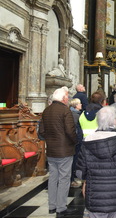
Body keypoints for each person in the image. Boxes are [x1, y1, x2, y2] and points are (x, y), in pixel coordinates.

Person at [39, 87, 77, 217]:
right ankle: (61, 207)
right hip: (64, 150)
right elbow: (70, 131)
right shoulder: (65, 110)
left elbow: (41, 132)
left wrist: (51, 139)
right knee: (64, 179)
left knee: (53, 178)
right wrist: (75, 142)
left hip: (51, 150)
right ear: (63, 98)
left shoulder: (46, 111)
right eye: (66, 97)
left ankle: (52, 206)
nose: (68, 99)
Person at [69, 98, 84, 188]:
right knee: (74, 159)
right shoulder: (75, 115)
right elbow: (75, 129)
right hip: (75, 141)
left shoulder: (76, 113)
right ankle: (71, 179)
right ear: (76, 105)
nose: (81, 105)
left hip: (75, 140)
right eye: (79, 104)